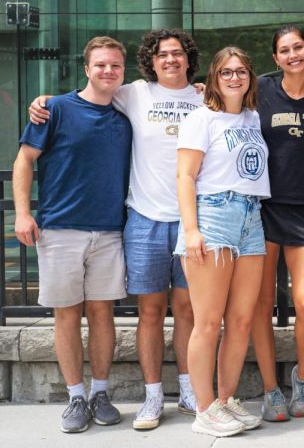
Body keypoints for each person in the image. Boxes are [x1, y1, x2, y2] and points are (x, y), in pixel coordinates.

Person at [30, 28, 203, 429]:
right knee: (149, 312)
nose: (170, 60)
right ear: (151, 60)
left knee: (188, 310)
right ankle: (152, 397)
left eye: (177, 53)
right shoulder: (134, 92)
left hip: (193, 219)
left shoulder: (203, 96)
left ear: (188, 59)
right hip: (143, 218)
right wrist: (44, 103)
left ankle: (189, 390)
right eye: (162, 54)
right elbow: (90, 91)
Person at [13, 36, 132, 433]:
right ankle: (75, 397)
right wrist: (23, 213)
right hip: (60, 230)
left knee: (102, 314)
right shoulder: (55, 109)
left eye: (115, 65)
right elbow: (24, 162)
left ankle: (100, 392)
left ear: (123, 70)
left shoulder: (123, 114)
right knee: (66, 316)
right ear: (86, 68)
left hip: (110, 231)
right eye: (100, 64)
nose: (108, 71)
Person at [175, 46, 269, 437]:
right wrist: (192, 230)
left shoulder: (253, 117)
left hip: (251, 217)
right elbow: (185, 176)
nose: (235, 78)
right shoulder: (202, 118)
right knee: (208, 321)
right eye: (227, 72)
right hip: (214, 216)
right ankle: (204, 407)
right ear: (214, 77)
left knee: (242, 320)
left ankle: (226, 400)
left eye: (242, 71)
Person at [251, 25, 304, 421]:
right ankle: (271, 389)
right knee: (261, 305)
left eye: (297, 47)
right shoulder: (260, 90)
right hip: (264, 210)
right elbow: (216, 94)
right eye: (283, 50)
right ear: (275, 58)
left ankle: (302, 379)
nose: (292, 55)